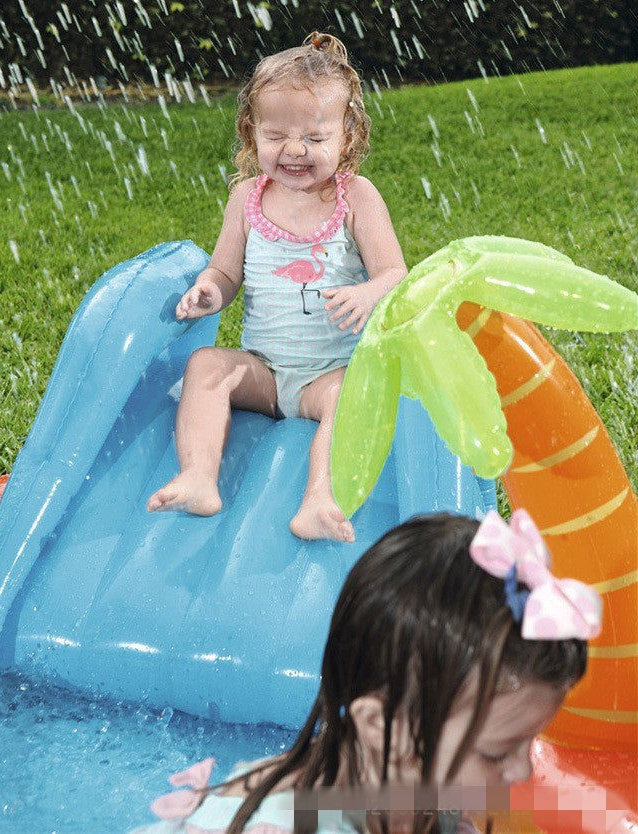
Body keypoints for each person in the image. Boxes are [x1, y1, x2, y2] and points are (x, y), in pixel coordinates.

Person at [129, 510, 601, 834]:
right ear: (381, 726)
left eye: (528, 741)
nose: (524, 770)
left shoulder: (413, 779)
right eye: (499, 753)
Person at [146, 32, 407, 542]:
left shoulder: (357, 198)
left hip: (328, 374)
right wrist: (208, 292)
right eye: (276, 135)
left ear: (346, 137)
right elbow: (225, 272)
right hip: (263, 371)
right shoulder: (245, 198)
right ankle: (199, 476)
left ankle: (319, 500)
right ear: (252, 133)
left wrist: (367, 293)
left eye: (314, 138)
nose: (294, 150)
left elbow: (395, 273)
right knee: (205, 365)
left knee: (351, 396)